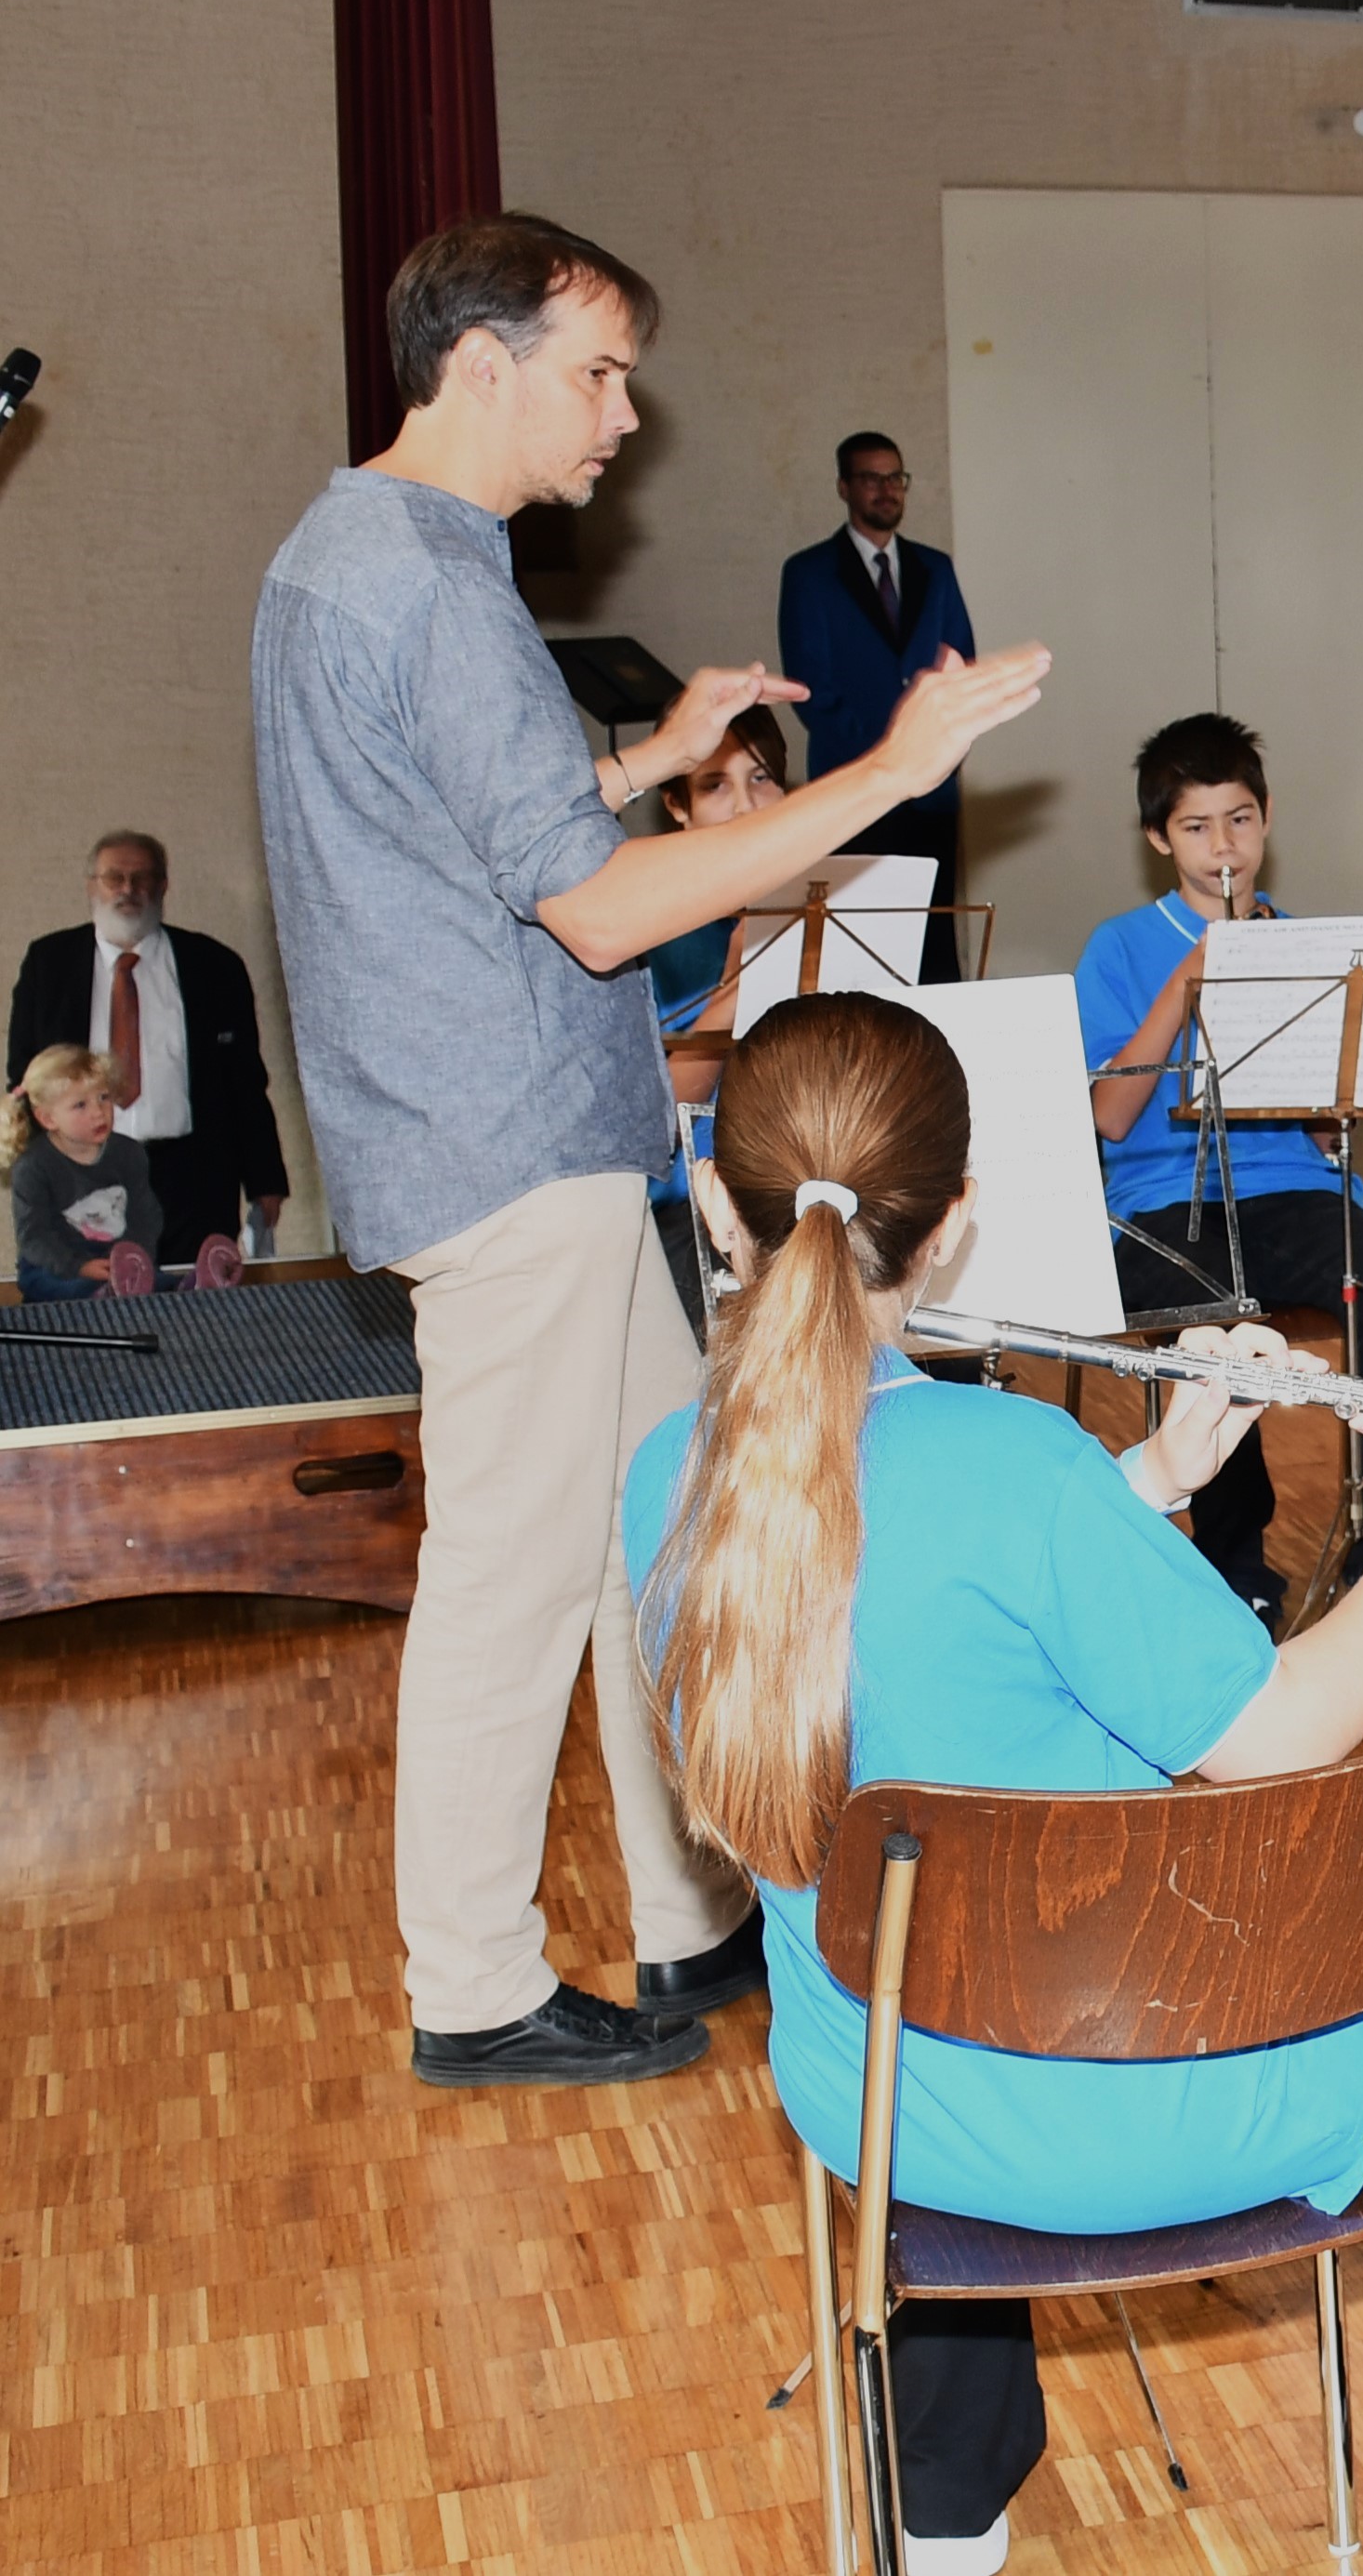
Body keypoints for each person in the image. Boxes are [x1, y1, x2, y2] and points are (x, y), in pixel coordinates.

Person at [626, 992, 1363, 2576]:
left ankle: (942, 2506)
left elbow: (938, 1635)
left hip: (892, 2107)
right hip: (1156, 2100)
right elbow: (1282, 1732)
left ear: (708, 1204)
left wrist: (1153, 1478)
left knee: (949, 1915)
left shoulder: (667, 1482)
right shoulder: (1014, 1471)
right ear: (955, 1225)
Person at [251, 208, 1052, 2089]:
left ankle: (690, 1920)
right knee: (513, 1576)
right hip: (502, 1140)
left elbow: (485, 839)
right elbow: (604, 921)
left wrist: (635, 755)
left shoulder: (364, 550)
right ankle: (470, 1985)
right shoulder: (434, 586)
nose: (622, 416)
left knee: (650, 1531)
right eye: (598, 373)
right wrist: (882, 771)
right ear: (480, 363)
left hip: (535, 1130)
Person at [1075, 712, 1363, 1650]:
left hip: (1288, 1186)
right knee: (1213, 1321)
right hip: (1161, 1202)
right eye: (1197, 827)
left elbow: (1330, 1127)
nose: (1223, 846)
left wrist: (1321, 1067)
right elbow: (1108, 1115)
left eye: (1239, 820)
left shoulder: (1311, 942)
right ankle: (1234, 1562)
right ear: (1160, 836)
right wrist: (1188, 985)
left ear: (1268, 817)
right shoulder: (1118, 948)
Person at [9, 830, 294, 1262]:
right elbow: (25, 1077)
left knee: (198, 1308)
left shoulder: (215, 966)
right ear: (92, 886)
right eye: (115, 878)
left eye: (142, 878)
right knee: (89, 1308)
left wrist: (264, 1181)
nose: (128, 889)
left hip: (192, 1176)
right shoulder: (49, 964)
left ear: (163, 886)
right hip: (81, 1172)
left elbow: (246, 1085)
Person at [776, 430, 981, 982]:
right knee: (863, 944)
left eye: (896, 478)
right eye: (872, 478)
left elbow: (960, 664)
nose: (886, 490)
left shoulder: (934, 568)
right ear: (845, 487)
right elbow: (811, 687)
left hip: (931, 793)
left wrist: (936, 750)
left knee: (935, 941)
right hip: (852, 785)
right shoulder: (810, 573)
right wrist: (886, 759)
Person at [639, 710, 793, 1327]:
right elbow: (660, 1122)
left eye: (761, 779)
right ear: (677, 807)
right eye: (714, 786)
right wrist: (740, 981)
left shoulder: (822, 901)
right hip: (690, 1211)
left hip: (801, 1190)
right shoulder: (646, 927)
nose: (743, 806)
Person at [10, 1042, 217, 1296]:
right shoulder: (33, 1167)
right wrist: (80, 1266)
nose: (99, 1112)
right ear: (47, 1118)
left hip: (117, 1257)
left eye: (103, 1097)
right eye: (80, 1105)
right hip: (56, 1263)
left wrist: (131, 1257)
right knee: (60, 1287)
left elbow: (145, 1216)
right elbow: (35, 1236)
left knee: (156, 1279)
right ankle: (106, 1295)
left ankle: (191, 1288)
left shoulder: (128, 1152)